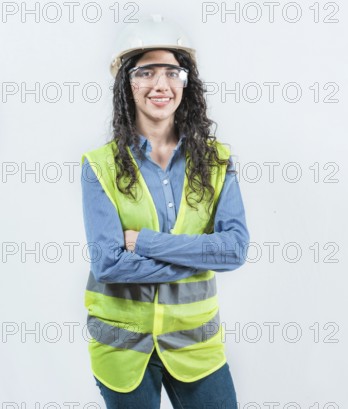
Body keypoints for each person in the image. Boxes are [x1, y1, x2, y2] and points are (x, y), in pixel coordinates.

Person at [80, 14, 249, 409]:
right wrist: (200, 256)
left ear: (186, 83)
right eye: (146, 72)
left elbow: (235, 249)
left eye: (172, 72)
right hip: (122, 348)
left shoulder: (217, 161)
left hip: (196, 348)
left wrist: (146, 243)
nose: (161, 84)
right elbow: (108, 264)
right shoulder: (99, 166)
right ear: (128, 84)